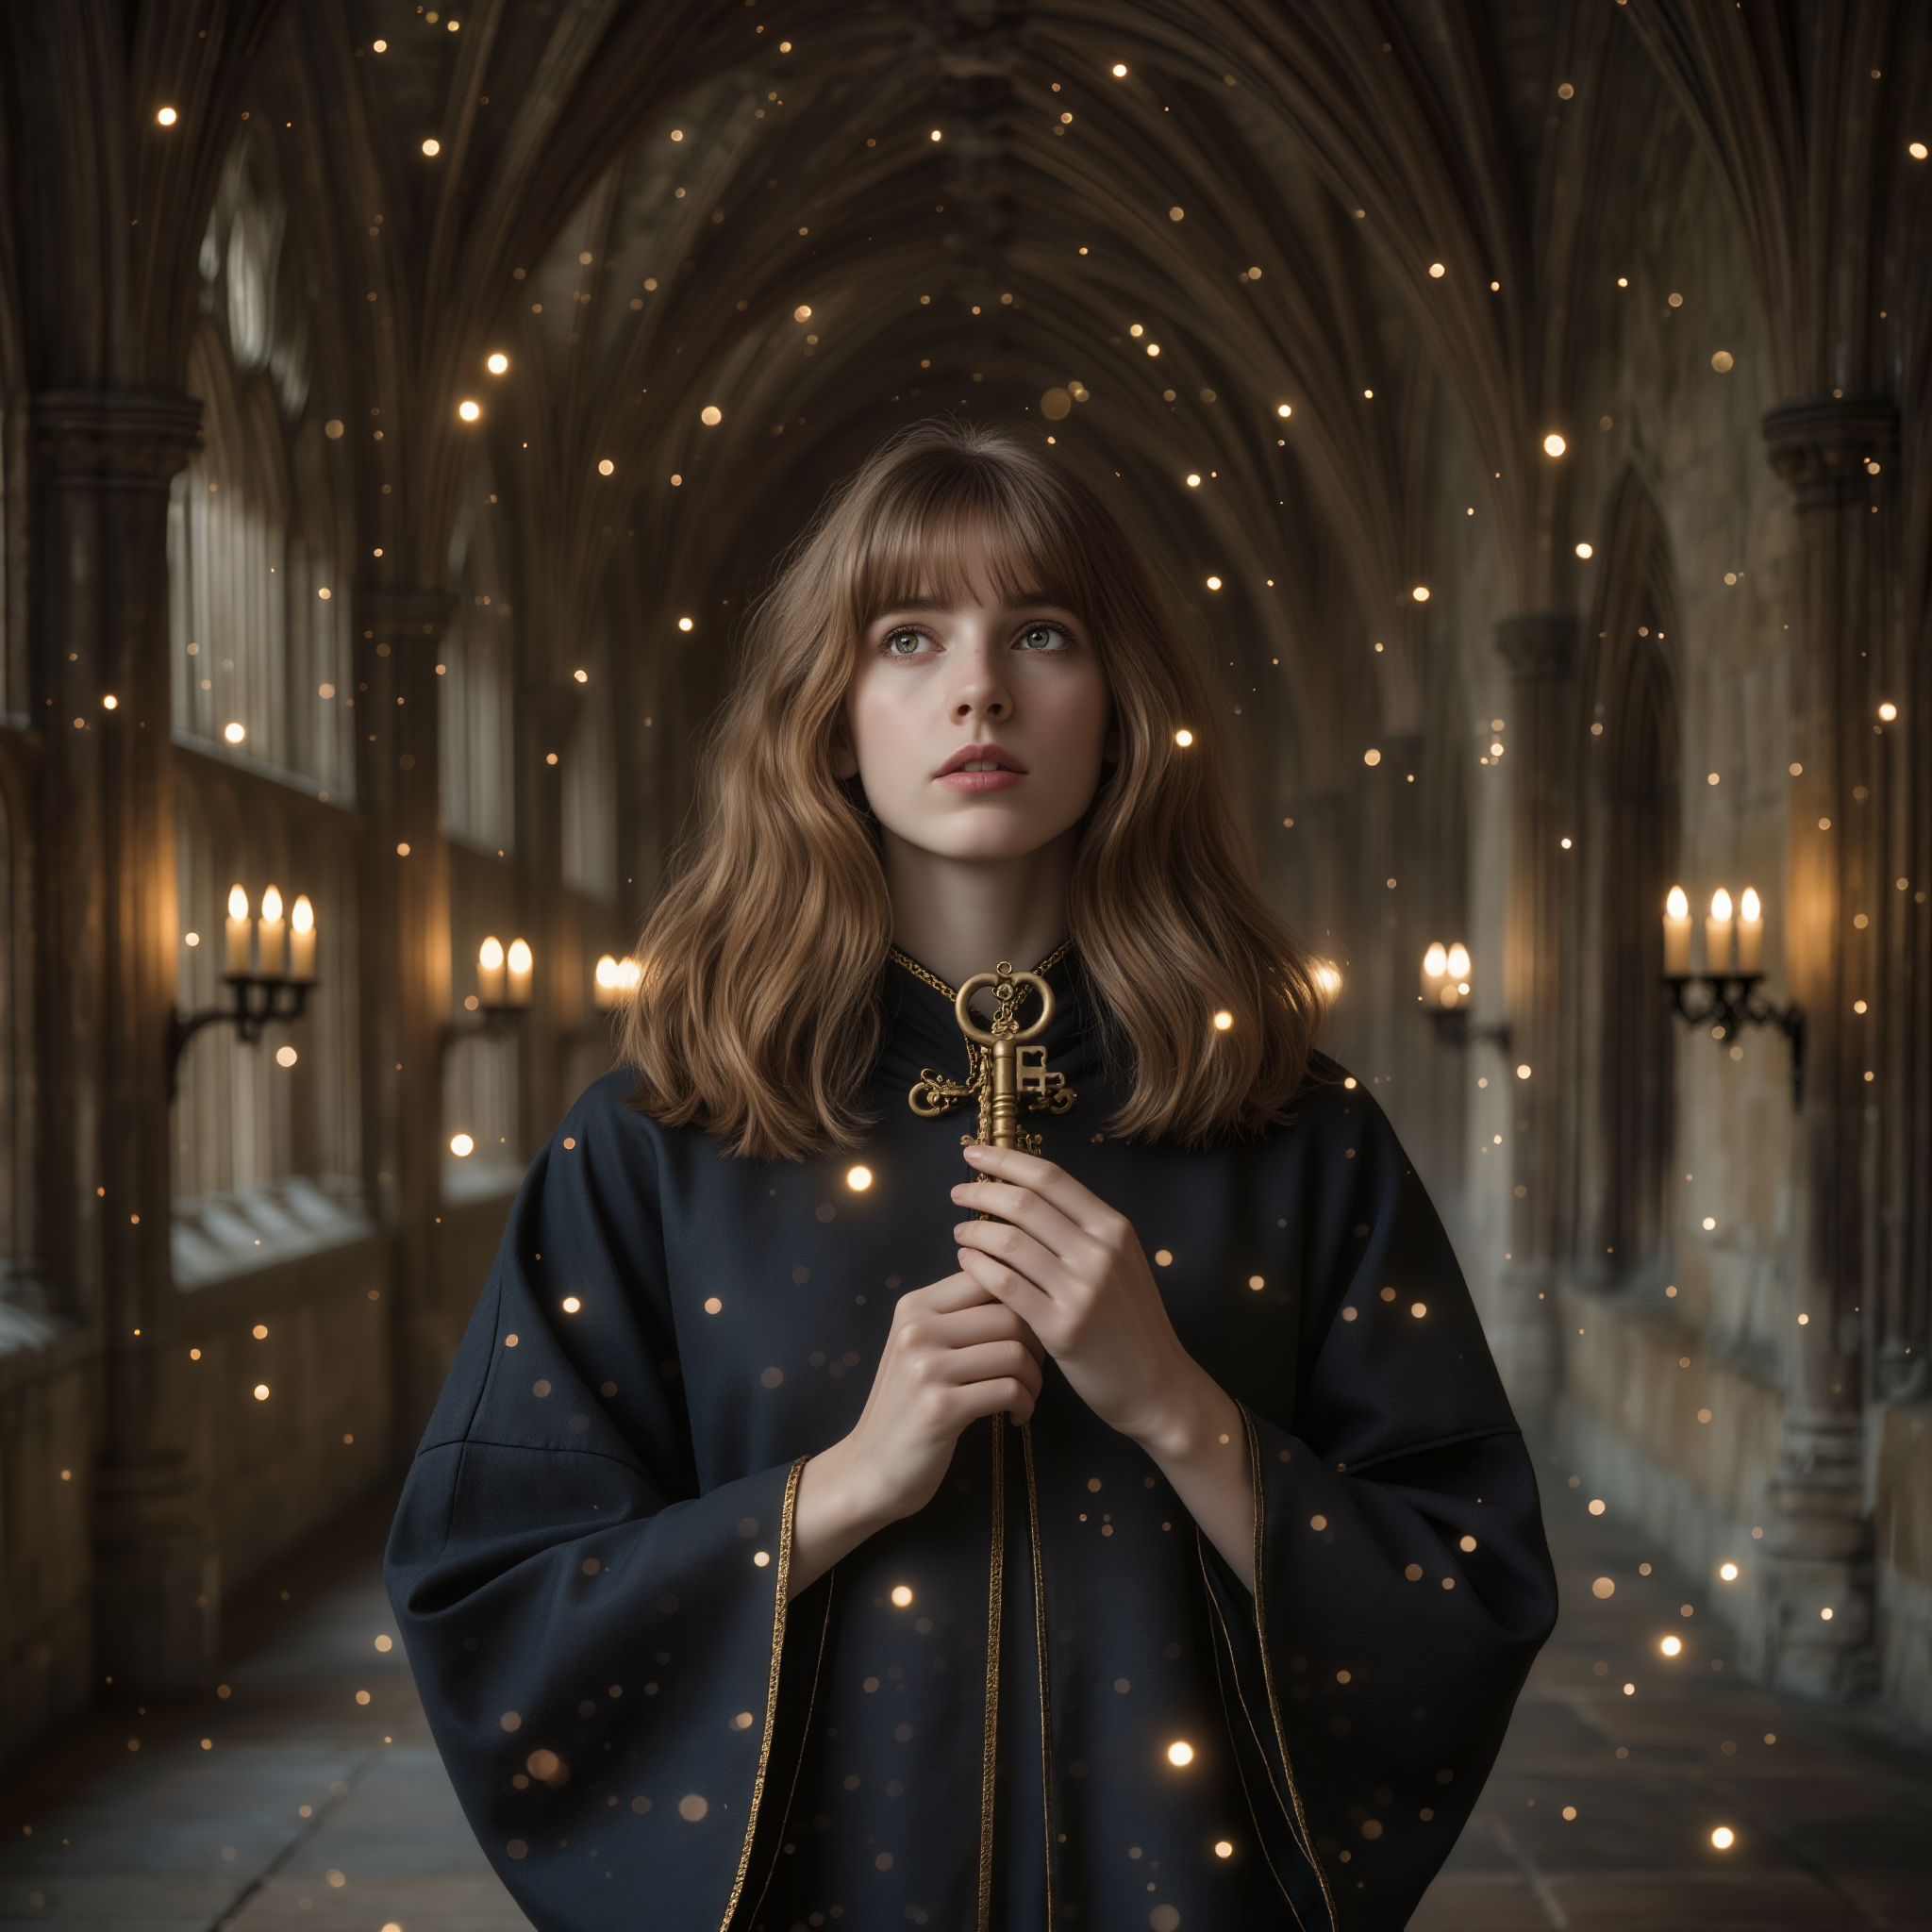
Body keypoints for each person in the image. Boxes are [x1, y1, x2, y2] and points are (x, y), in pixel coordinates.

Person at [386, 421, 1557, 1932]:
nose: (980, 688)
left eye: (1044, 632)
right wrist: (838, 1491)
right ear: (832, 710)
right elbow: (492, 1603)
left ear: (1122, 703)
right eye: (909, 637)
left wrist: (1180, 1413)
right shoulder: (652, 1145)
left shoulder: (1299, 1132)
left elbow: (1467, 1590)